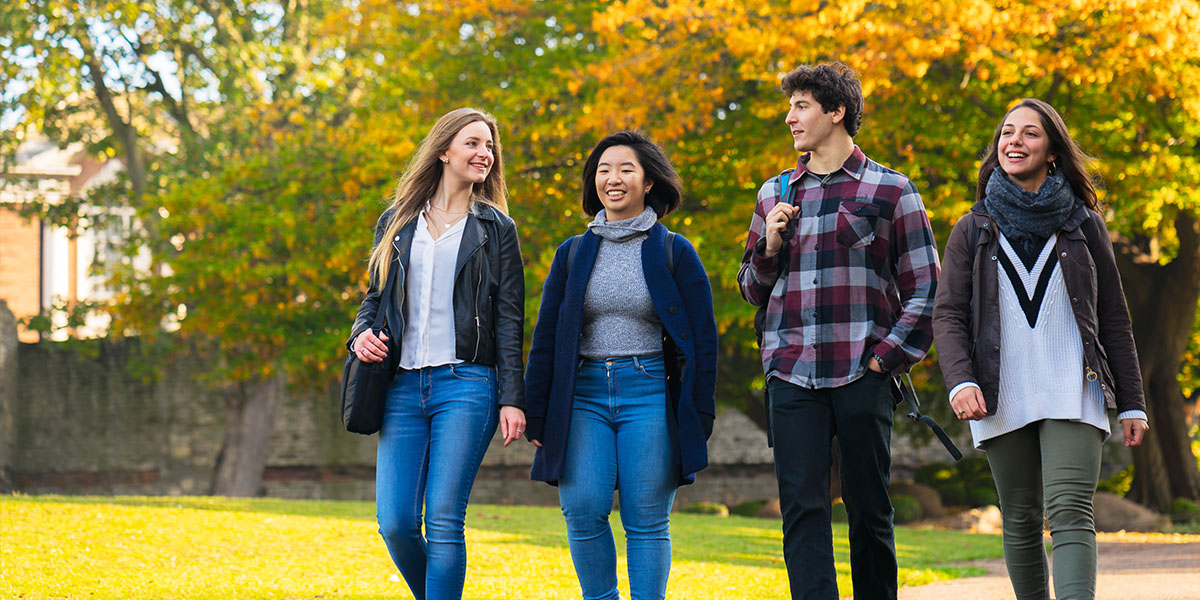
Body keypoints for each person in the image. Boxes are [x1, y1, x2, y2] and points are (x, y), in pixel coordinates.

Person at [737, 62, 941, 600]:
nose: (790, 118)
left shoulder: (892, 190)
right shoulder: (773, 192)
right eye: (790, 107)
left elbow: (926, 289)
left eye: (801, 106)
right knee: (802, 510)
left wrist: (885, 360)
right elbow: (751, 289)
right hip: (790, 372)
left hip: (861, 371)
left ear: (836, 111)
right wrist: (770, 247)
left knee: (869, 509)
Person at [932, 98, 1149, 600]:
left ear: (1052, 150)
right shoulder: (972, 228)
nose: (1014, 141)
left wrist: (1132, 401)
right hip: (999, 390)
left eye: (1030, 133)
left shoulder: (1084, 225)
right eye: (1007, 133)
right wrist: (960, 379)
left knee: (1072, 509)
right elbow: (948, 315)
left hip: (1073, 387)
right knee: (1021, 515)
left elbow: (1114, 318)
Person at [523, 130, 718, 600]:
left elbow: (703, 338)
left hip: (648, 390)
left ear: (648, 181)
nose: (613, 179)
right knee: (583, 508)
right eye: (604, 170)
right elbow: (547, 336)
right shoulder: (572, 252)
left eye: (626, 169)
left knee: (646, 518)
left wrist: (700, 410)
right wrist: (536, 408)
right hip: (583, 394)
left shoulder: (675, 250)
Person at [346, 107, 526, 600]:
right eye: (473, 143)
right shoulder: (397, 221)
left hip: (467, 386)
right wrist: (359, 335)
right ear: (444, 150)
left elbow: (510, 319)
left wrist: (513, 397)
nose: (484, 154)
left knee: (445, 518)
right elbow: (374, 299)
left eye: (489, 146)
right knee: (396, 523)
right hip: (401, 385)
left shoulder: (496, 229)